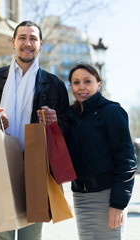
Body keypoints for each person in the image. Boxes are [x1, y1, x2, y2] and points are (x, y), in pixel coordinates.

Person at [0, 20, 69, 240]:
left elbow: (68, 130)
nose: (27, 43)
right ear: (13, 42)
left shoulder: (54, 85)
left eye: (33, 38)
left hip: (37, 166)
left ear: (40, 44)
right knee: (0, 236)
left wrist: (56, 122)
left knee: (31, 237)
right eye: (22, 38)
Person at [38, 62, 137, 240]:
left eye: (87, 81)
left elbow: (126, 161)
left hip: (107, 196)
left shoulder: (112, 111)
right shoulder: (71, 115)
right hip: (81, 197)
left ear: (98, 84)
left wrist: (118, 204)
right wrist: (53, 122)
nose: (81, 87)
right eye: (76, 82)